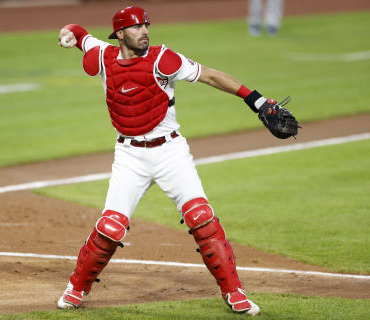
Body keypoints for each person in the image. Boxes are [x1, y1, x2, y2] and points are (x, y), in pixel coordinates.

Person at [56, 6, 274, 316]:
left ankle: (234, 291)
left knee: (202, 218)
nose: (144, 31)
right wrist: (66, 32)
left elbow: (210, 75)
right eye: (136, 27)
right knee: (110, 227)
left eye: (146, 25)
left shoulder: (163, 58)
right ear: (119, 34)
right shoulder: (103, 54)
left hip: (170, 152)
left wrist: (257, 100)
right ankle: (76, 287)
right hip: (129, 155)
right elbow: (78, 32)